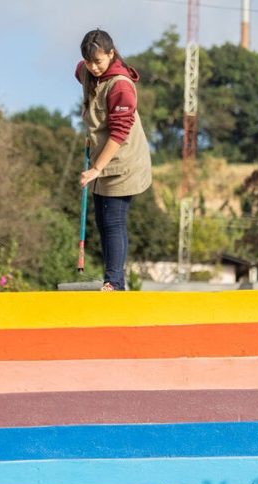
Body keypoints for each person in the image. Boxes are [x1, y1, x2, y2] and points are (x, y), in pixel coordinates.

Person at [76, 29, 152, 291]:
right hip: (102, 161)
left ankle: (114, 283)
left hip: (123, 162)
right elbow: (79, 70)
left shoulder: (120, 86)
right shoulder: (86, 71)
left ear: (111, 54)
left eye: (98, 61)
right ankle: (112, 279)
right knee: (102, 221)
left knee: (113, 221)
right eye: (89, 61)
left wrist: (96, 168)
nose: (93, 67)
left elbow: (119, 132)